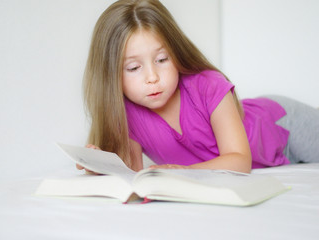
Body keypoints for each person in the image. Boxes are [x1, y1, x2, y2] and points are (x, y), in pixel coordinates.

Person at [77, 0, 319, 174]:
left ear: (176, 52)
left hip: (283, 126)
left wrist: (182, 172)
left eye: (162, 60)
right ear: (111, 76)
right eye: (133, 68)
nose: (152, 77)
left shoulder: (208, 85)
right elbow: (133, 174)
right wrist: (99, 167)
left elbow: (239, 162)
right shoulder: (127, 115)